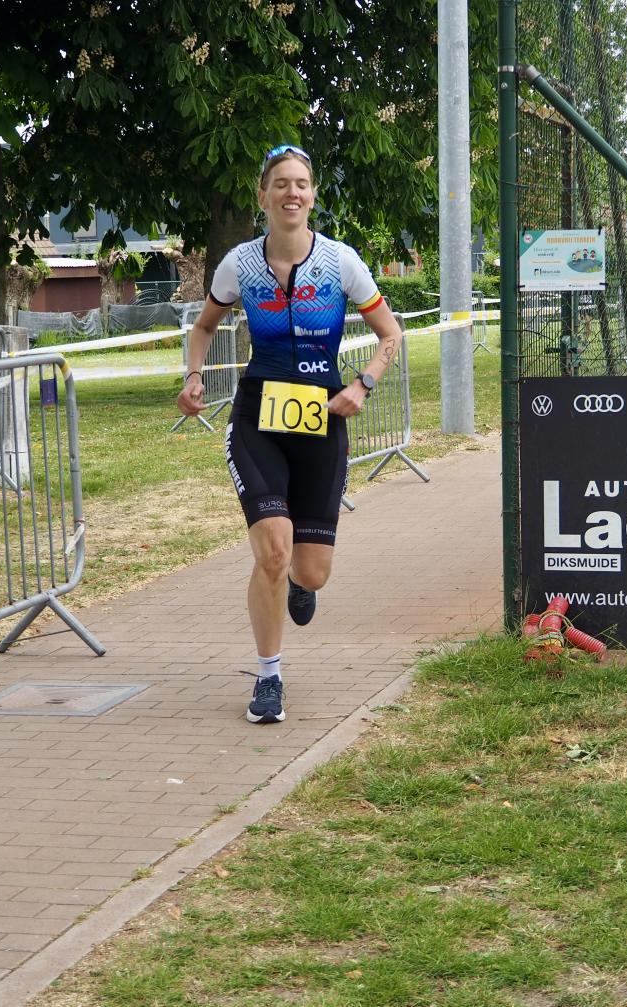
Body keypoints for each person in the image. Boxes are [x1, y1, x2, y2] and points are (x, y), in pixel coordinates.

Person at [176, 143, 404, 725]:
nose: (292, 193)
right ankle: (269, 676)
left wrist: (363, 385)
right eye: (281, 183)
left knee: (311, 570)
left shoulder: (340, 262)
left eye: (301, 183)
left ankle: (301, 585)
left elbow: (390, 334)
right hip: (258, 419)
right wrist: (194, 375)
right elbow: (203, 328)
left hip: (322, 419)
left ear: (312, 195)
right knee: (273, 550)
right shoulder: (239, 264)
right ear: (263, 196)